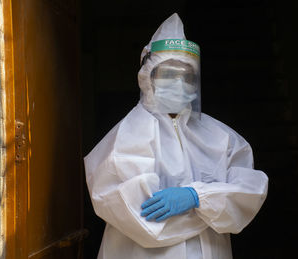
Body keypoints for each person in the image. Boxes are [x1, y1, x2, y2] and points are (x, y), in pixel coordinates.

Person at [84, 13, 268, 259]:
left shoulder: (222, 138)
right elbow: (141, 221)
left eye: (187, 76)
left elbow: (250, 193)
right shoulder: (125, 139)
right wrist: (212, 204)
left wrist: (195, 197)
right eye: (170, 74)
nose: (180, 83)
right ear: (148, 77)